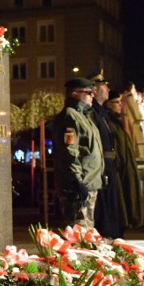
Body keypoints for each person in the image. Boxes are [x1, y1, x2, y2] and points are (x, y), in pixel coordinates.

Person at [52, 77, 105, 228]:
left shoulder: (84, 116)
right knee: (78, 232)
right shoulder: (70, 116)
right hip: (78, 187)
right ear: (75, 94)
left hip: (89, 184)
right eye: (89, 92)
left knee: (87, 232)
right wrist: (77, 181)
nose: (93, 95)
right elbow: (69, 153)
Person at [88, 71, 125, 238]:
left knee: (112, 202)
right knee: (105, 204)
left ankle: (113, 232)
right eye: (104, 86)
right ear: (95, 91)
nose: (108, 89)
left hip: (109, 164)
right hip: (102, 165)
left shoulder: (102, 112)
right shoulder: (93, 112)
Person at [105, 91, 144, 230]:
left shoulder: (117, 122)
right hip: (117, 169)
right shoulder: (109, 122)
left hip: (124, 167)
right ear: (108, 105)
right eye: (117, 102)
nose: (120, 105)